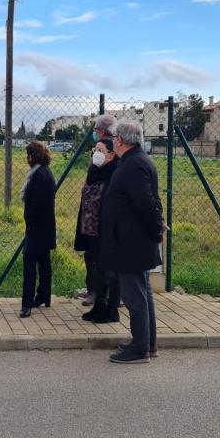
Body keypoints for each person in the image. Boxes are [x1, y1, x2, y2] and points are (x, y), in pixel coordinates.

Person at [100, 122, 164, 364]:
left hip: (130, 243)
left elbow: (146, 204)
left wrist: (157, 228)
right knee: (142, 293)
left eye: (114, 137)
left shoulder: (134, 165)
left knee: (134, 297)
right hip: (133, 240)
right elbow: (152, 200)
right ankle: (148, 343)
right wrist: (157, 226)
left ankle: (139, 349)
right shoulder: (136, 160)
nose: (112, 140)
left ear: (121, 140)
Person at [74, 138, 120, 323]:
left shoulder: (114, 173)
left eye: (101, 150)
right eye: (95, 149)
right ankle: (98, 307)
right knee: (98, 270)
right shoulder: (93, 171)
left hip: (106, 230)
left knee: (110, 272)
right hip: (91, 229)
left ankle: (111, 310)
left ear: (111, 155)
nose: (96, 153)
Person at [19, 141, 56, 318]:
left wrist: (29, 220)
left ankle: (26, 303)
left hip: (36, 227)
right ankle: (44, 296)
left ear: (31, 156)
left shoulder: (38, 175)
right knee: (44, 262)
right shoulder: (46, 172)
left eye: (28, 155)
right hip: (46, 226)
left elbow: (35, 204)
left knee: (29, 264)